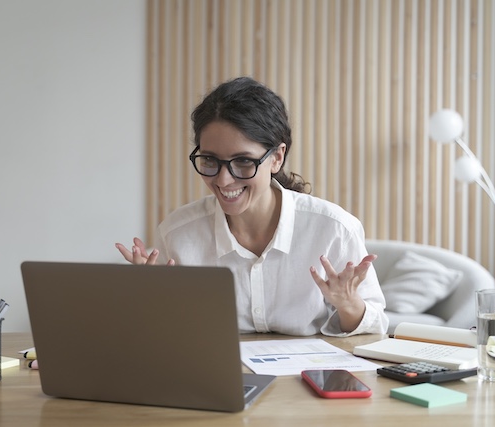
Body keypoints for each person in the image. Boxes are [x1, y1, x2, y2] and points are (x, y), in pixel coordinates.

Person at [116, 76, 388, 336]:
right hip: (220, 380)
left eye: (243, 161)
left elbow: (374, 327)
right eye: (210, 160)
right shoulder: (178, 234)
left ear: (277, 158)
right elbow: (166, 334)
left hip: (311, 377)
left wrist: (347, 302)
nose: (223, 180)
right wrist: (149, 299)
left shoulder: (333, 229)